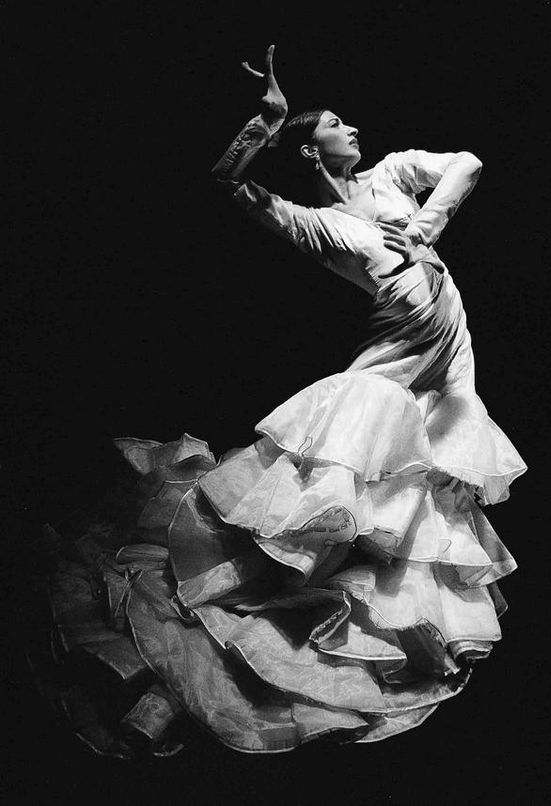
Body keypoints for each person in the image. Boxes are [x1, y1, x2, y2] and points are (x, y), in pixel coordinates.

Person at [42, 46, 526, 756]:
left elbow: (470, 162)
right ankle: (204, 643)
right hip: (392, 367)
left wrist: (425, 227)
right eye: (336, 122)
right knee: (328, 513)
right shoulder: (318, 222)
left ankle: (309, 635)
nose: (353, 128)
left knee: (412, 512)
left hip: (449, 365)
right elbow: (229, 186)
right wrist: (259, 128)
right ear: (310, 147)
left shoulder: (391, 175)